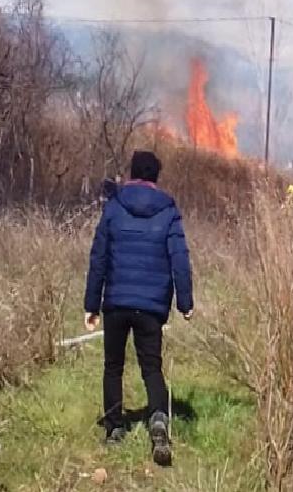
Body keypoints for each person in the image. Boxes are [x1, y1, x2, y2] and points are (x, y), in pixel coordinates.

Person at [84, 150, 194, 465]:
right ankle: (158, 419)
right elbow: (180, 260)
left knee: (113, 366)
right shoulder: (168, 210)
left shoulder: (114, 208)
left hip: (117, 301)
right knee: (151, 366)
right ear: (156, 177)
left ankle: (115, 427)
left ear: (132, 173)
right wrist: (185, 303)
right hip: (151, 307)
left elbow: (98, 257)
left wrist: (91, 304)